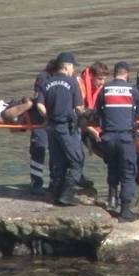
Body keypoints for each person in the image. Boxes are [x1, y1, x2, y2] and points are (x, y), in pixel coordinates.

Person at [94, 61, 139, 222]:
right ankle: (125, 211)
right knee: (128, 173)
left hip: (108, 138)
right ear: (127, 74)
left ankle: (112, 199)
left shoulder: (105, 89)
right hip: (125, 138)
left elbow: (97, 112)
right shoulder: (132, 90)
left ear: (114, 73)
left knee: (113, 167)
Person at [36, 52, 84, 206]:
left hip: (51, 127)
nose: (73, 70)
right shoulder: (72, 83)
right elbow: (78, 107)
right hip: (66, 127)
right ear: (66, 66)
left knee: (58, 161)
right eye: (72, 66)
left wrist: (47, 116)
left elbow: (39, 105)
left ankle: (55, 192)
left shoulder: (46, 82)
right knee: (77, 160)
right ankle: (67, 193)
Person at [28, 59, 55, 192]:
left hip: (54, 120)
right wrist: (47, 117)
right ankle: (36, 182)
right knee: (39, 148)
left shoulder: (66, 78)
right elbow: (39, 101)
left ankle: (54, 181)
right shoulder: (43, 78)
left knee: (56, 151)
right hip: (40, 120)